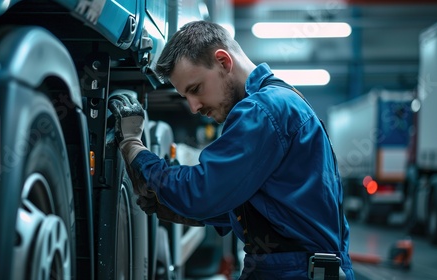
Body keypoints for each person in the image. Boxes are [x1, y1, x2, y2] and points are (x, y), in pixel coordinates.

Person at [109, 20, 354, 279]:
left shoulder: (261, 110)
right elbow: (271, 210)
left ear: (224, 62)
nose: (193, 107)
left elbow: (202, 192)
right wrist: (175, 208)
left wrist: (135, 149)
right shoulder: (282, 100)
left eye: (195, 89)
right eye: (186, 97)